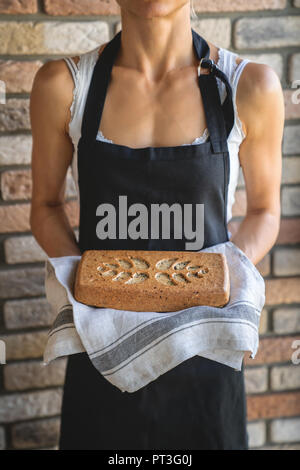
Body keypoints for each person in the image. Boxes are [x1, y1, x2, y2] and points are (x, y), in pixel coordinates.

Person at [30, 0, 284, 450]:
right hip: (102, 354)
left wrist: (219, 278)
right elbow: (46, 205)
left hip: (207, 355)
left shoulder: (250, 87)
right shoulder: (63, 86)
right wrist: (92, 288)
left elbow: (265, 211)